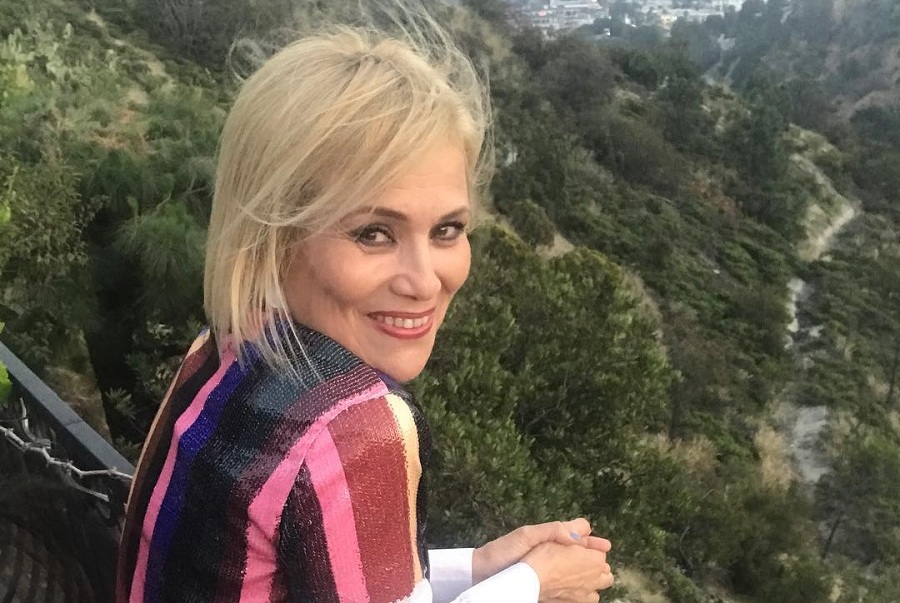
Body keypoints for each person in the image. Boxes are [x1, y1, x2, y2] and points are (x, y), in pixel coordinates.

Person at [116, 5, 615, 602]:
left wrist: (480, 568)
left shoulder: (225, 347)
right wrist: (534, 585)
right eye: (373, 233)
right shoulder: (356, 427)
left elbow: (296, 571)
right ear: (274, 239)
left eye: (448, 230)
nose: (424, 282)